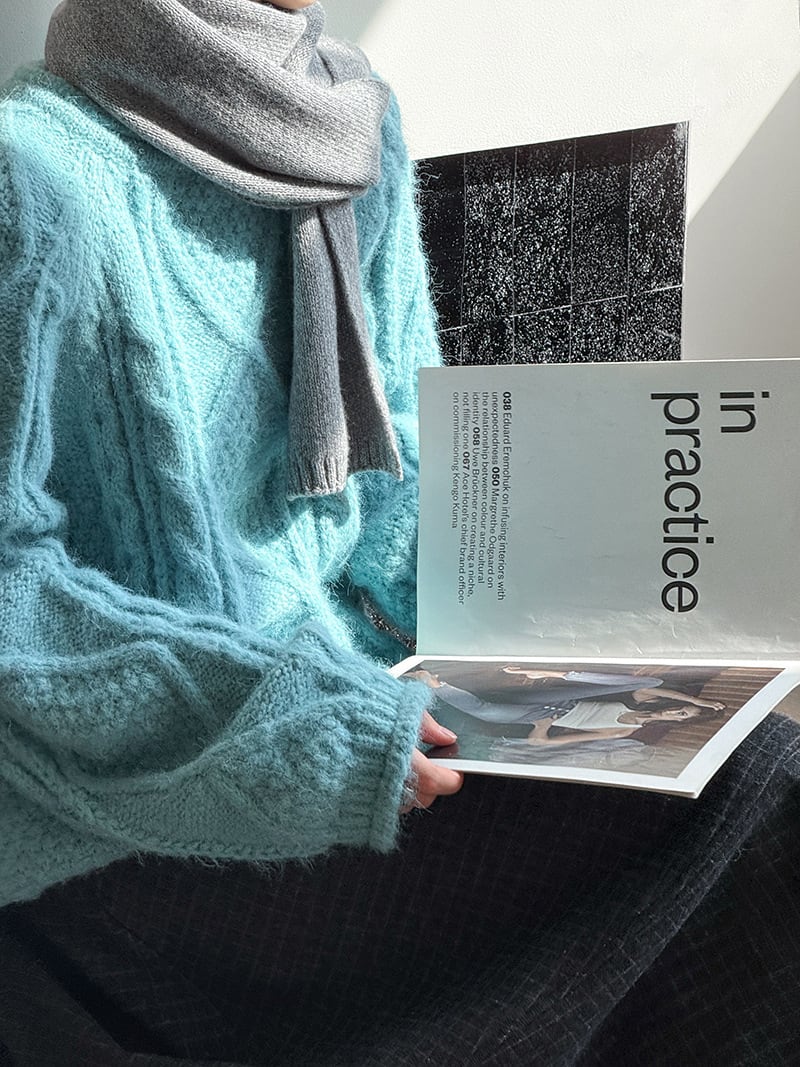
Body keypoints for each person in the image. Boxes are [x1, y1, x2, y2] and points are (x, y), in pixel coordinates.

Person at [2, 3, 800, 1065]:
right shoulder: (31, 176)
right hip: (141, 799)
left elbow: (396, 464)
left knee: (753, 767)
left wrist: (559, 618)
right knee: (752, 801)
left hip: (368, 695)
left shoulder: (347, 119)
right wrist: (295, 720)